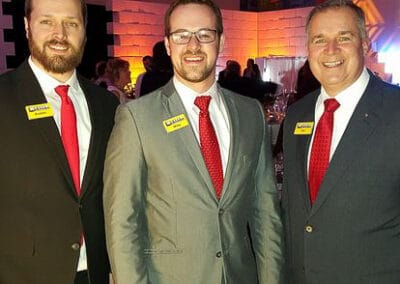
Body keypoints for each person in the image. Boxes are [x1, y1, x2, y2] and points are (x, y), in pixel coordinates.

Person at [103, 0, 285, 283]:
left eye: (204, 34)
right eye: (181, 35)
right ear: (167, 45)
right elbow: (122, 221)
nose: (193, 45)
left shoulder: (251, 114)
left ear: (220, 42)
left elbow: (265, 211)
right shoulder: (136, 119)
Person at [0, 0, 119, 283]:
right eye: (47, 22)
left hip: (97, 274)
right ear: (27, 26)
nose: (60, 34)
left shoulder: (106, 106)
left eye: (71, 23)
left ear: (85, 31)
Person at [282, 1, 400, 283]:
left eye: (343, 38)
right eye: (319, 39)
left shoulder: (395, 110)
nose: (330, 50)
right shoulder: (297, 113)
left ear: (365, 44)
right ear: (308, 49)